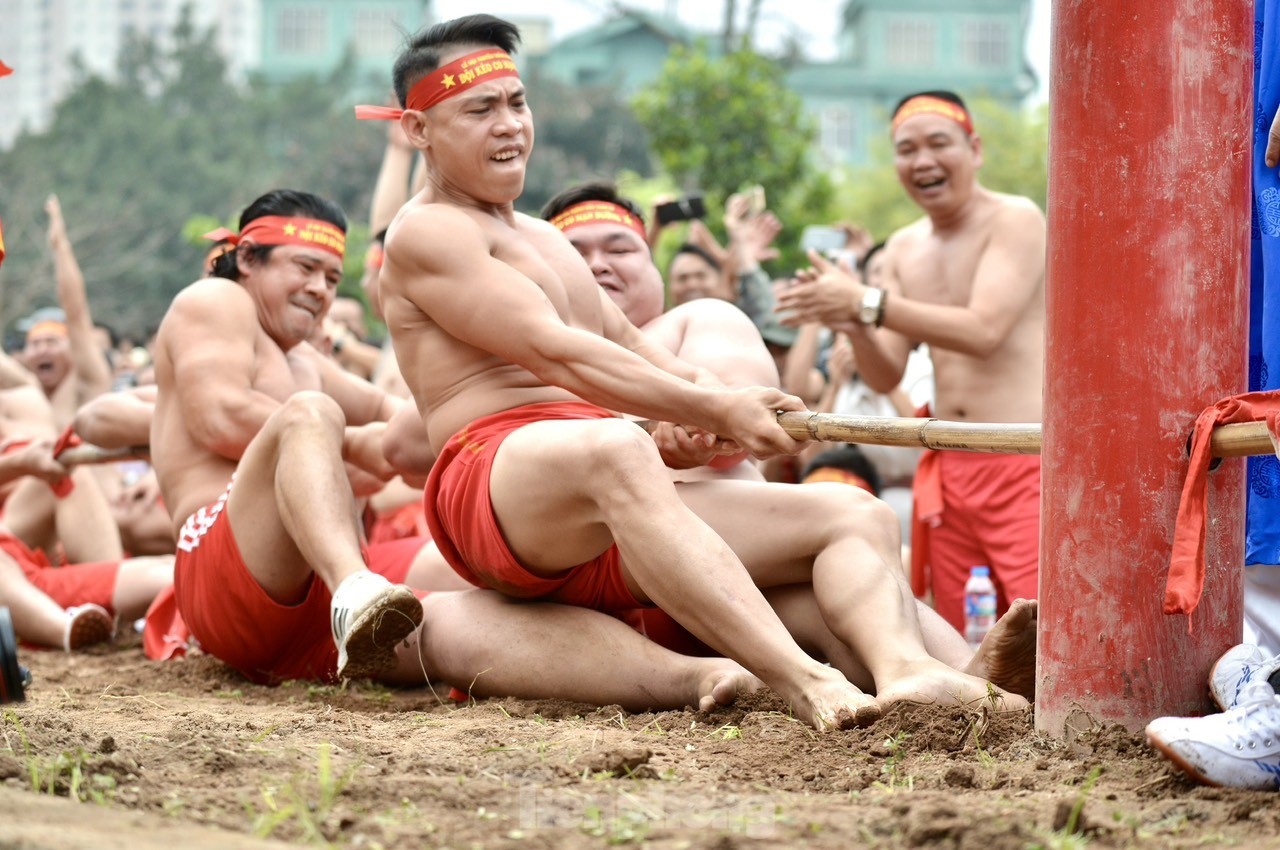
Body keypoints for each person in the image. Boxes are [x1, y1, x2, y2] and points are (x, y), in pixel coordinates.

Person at [372, 15, 1026, 729]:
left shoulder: (537, 237)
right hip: (496, 487)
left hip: (609, 497)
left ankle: (910, 672)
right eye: (480, 109)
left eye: (517, 103)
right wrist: (712, 412)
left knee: (852, 514)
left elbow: (628, 340)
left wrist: (727, 401)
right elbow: (556, 352)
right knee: (616, 446)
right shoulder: (426, 231)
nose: (509, 126)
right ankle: (803, 681)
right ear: (418, 129)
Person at [144, 187, 762, 714]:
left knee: (479, 606)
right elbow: (221, 417)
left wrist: (459, 413)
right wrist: (362, 445)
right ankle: (354, 588)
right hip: (228, 561)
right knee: (311, 416)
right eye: (303, 268)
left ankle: (689, 677)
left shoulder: (305, 358)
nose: (319, 290)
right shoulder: (214, 300)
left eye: (331, 277)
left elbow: (402, 426)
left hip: (314, 610)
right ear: (246, 259)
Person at [776, 90, 1045, 633]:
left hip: (1023, 453)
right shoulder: (900, 248)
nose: (922, 160)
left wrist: (865, 304)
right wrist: (853, 323)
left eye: (937, 143)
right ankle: (980, 718)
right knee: (960, 622)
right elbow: (886, 373)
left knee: (1039, 617)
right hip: (948, 458)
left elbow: (984, 331)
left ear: (974, 149)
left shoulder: (1015, 218)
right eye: (906, 149)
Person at [18, 196, 113, 428]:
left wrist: (60, 245)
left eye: (51, 341)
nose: (42, 350)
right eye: (35, 343)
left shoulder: (86, 382)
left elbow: (76, 313)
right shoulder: (23, 390)